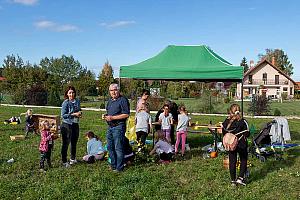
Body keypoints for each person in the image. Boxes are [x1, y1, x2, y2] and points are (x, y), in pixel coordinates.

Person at [104, 83, 130, 172]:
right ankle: (113, 165)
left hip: (119, 126)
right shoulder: (110, 101)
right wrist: (106, 116)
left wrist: (112, 118)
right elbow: (109, 112)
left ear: (118, 90)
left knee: (118, 147)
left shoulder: (123, 100)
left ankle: (119, 167)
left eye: (115, 90)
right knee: (110, 147)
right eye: (111, 90)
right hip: (110, 127)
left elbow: (126, 114)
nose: (113, 92)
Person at [222, 104, 250, 186]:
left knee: (232, 161)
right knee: (243, 160)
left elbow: (223, 132)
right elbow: (247, 133)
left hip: (231, 144)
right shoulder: (242, 121)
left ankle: (233, 180)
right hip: (241, 144)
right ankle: (240, 178)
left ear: (230, 111)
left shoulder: (227, 121)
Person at [61, 86, 82, 168]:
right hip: (67, 124)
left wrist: (80, 113)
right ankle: (64, 161)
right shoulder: (65, 103)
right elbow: (63, 116)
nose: (71, 94)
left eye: (73, 92)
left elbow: (79, 109)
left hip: (75, 124)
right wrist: (74, 114)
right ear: (67, 94)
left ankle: (72, 159)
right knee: (66, 143)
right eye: (70, 92)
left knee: (74, 142)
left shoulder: (77, 101)